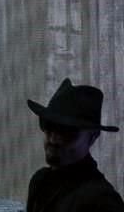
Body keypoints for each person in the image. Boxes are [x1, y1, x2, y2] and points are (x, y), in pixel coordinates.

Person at [26, 78, 124, 212]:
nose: (53, 139)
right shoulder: (40, 182)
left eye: (66, 131)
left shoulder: (102, 200)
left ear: (92, 137)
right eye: (48, 126)